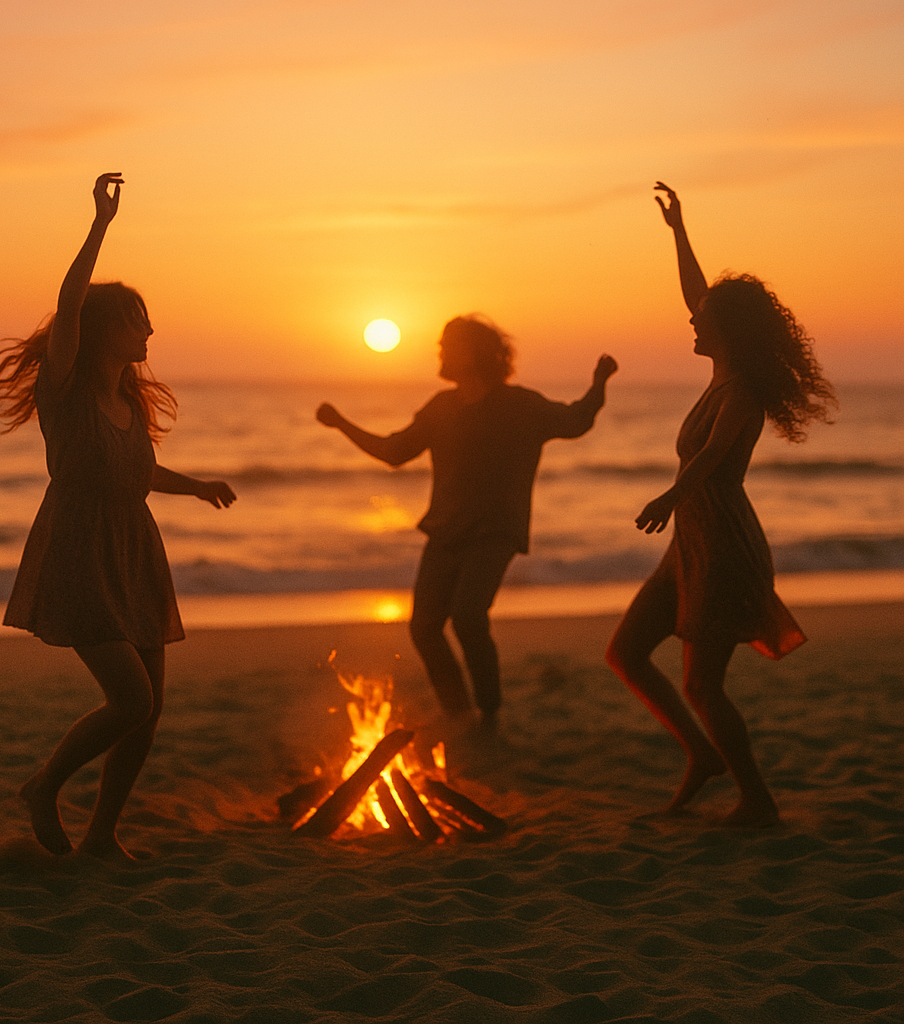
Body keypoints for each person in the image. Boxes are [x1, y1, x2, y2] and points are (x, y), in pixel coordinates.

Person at [0, 173, 236, 862]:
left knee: (150, 709)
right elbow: (68, 304)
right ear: (102, 329)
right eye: (137, 317)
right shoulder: (64, 388)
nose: (149, 328)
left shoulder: (131, 405)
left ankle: (103, 833)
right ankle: (44, 785)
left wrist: (198, 484)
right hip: (79, 549)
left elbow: (138, 475)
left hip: (134, 549)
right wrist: (101, 224)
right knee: (130, 699)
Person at [606, 182, 836, 827]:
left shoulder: (742, 394)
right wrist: (678, 230)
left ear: (725, 331)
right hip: (691, 543)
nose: (691, 319)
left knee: (702, 685)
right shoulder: (721, 371)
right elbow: (695, 292)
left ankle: (756, 801)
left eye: (702, 319)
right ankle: (702, 757)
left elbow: (710, 460)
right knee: (625, 654)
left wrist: (669, 494)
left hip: (723, 546)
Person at [317, 315, 617, 726]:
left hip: (495, 533)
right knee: (424, 628)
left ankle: (490, 713)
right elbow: (394, 452)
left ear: (474, 352)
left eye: (446, 345)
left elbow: (577, 420)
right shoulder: (442, 407)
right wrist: (341, 424)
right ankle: (457, 710)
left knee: (468, 616)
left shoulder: (520, 406)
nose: (438, 352)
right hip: (445, 531)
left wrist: (599, 382)